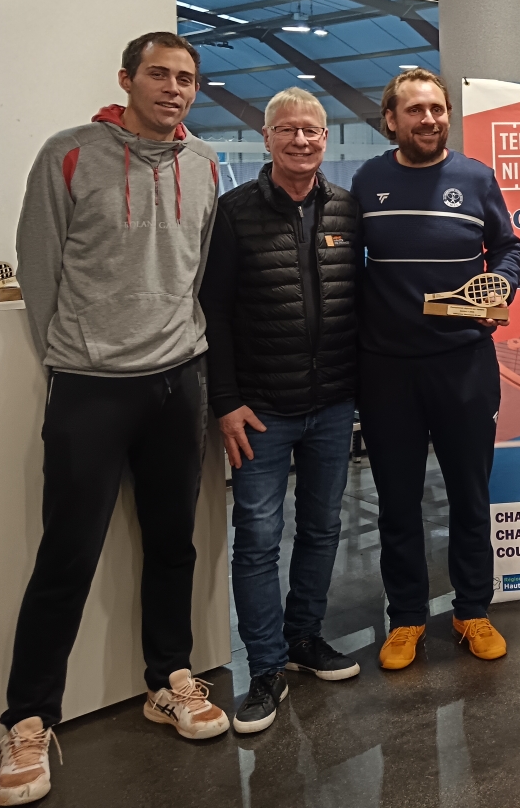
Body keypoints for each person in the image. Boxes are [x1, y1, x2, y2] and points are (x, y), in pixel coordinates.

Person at [0, 33, 228, 806]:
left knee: (173, 544)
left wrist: (181, 347)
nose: (173, 88)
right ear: (127, 80)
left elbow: (198, 268)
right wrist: (72, 354)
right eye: (158, 74)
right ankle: (27, 720)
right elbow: (39, 269)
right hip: (90, 385)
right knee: (67, 554)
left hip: (179, 380)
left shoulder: (205, 164)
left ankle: (170, 679)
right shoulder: (68, 154)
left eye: (185, 78)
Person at [200, 88, 362, 735]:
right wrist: (226, 401)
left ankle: (304, 640)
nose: (301, 140)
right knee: (258, 540)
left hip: (332, 405)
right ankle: (265, 668)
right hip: (260, 412)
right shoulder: (234, 212)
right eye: (288, 130)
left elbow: (361, 298)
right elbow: (214, 312)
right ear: (266, 138)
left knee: (322, 529)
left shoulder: (346, 209)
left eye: (312, 131)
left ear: (325, 139)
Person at [351, 69, 520, 667]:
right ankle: (406, 618)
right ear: (391, 119)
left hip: (463, 364)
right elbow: (348, 265)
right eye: (415, 110)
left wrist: (501, 284)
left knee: (470, 496)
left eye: (438, 109)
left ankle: (472, 610)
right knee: (398, 503)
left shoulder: (476, 178)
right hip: (387, 370)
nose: (429, 120)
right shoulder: (368, 180)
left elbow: (508, 248)